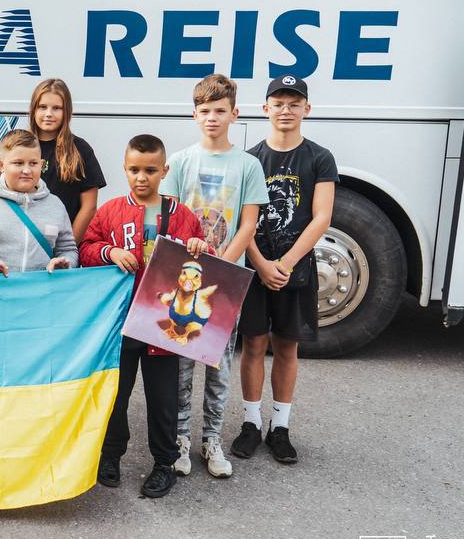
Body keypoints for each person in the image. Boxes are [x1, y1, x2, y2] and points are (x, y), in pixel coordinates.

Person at [79, 135, 209, 498]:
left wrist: (200, 247)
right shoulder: (110, 211)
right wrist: (109, 251)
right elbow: (86, 248)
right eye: (134, 170)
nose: (141, 177)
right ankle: (110, 455)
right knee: (116, 394)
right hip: (120, 321)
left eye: (150, 170)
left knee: (163, 398)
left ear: (164, 171)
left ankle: (164, 463)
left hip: (165, 325)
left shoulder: (182, 215)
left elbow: (202, 260)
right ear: (125, 169)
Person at [160, 74, 268, 479]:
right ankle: (180, 437)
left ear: (234, 114)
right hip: (184, 280)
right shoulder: (181, 161)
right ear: (194, 114)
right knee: (182, 365)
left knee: (219, 366)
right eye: (204, 110)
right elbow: (170, 218)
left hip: (226, 279)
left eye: (220, 111)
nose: (212, 117)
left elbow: (248, 224)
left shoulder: (248, 165)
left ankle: (212, 439)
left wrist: (222, 263)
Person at [233, 76, 337, 465]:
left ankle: (280, 427)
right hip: (255, 265)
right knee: (253, 344)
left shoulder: (319, 158)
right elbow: (242, 220)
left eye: (294, 103)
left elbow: (321, 216)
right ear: (265, 109)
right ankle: (250, 423)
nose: (286, 110)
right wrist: (261, 264)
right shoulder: (250, 159)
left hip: (296, 268)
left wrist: (287, 263)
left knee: (287, 346)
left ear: (306, 109)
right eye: (278, 103)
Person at [0, 129, 77, 275]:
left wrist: (65, 263)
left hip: (42, 289)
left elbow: (68, 250)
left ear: (41, 164)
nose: (26, 170)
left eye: (33, 163)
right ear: (1, 165)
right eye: (18, 163)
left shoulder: (55, 205)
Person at [28, 78, 106, 242]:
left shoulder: (80, 149)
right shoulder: (20, 146)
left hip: (62, 243)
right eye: (42, 107)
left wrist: (69, 246)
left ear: (67, 111)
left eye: (57, 108)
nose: (49, 114)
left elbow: (89, 207)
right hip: (23, 243)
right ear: (33, 109)